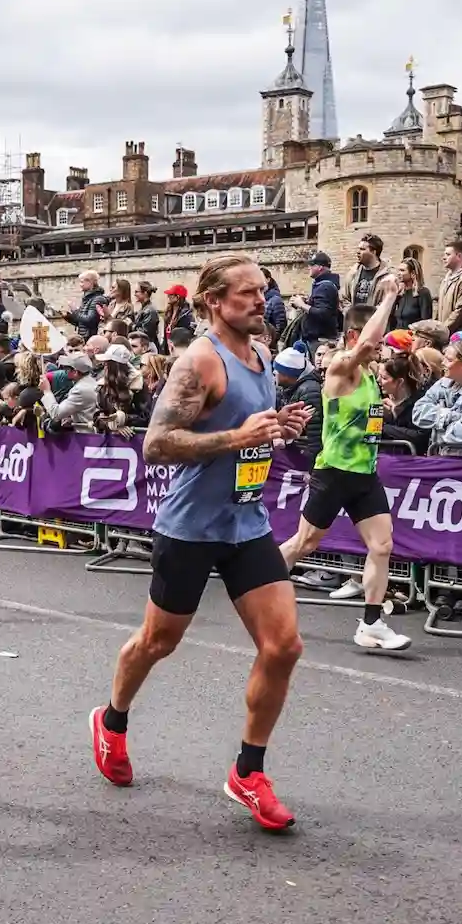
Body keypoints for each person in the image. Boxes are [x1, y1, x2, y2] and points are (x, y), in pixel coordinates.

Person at [88, 254, 312, 831]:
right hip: (189, 527)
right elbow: (157, 444)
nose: (262, 301)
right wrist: (240, 434)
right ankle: (112, 721)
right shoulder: (199, 361)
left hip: (247, 523)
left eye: (263, 291)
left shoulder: (261, 354)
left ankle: (248, 771)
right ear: (215, 300)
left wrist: (277, 426)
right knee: (158, 642)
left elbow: (246, 432)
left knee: (283, 646)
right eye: (247, 294)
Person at [278, 279, 411, 651]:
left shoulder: (369, 374)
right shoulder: (341, 366)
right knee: (306, 542)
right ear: (355, 334)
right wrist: (388, 299)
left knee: (382, 546)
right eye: (378, 339)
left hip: (365, 474)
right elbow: (369, 342)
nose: (381, 348)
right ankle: (254, 591)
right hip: (334, 471)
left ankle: (371, 624)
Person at [345, 234, 397, 308]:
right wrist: (351, 314)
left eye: (362, 249)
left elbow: (387, 303)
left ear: (373, 252)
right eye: (358, 249)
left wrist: (371, 316)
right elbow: (344, 299)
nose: (358, 252)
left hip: (375, 318)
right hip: (354, 319)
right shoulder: (353, 272)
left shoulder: (387, 276)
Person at [301, 251, 342, 344]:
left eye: (312, 264)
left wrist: (301, 305)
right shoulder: (321, 285)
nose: (309, 267)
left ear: (320, 267)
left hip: (320, 341)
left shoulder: (326, 286)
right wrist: (308, 301)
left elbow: (323, 313)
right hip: (317, 339)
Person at [437, 240, 462, 333]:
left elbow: (461, 310)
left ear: (459, 256)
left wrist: (442, 330)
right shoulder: (445, 280)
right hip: (443, 334)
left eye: (448, 255)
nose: (444, 258)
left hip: (457, 335)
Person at [393, 256, 433, 327]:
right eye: (398, 270)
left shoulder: (423, 293)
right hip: (397, 335)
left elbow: (426, 321)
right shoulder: (400, 293)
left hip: (412, 336)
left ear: (413, 273)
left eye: (402, 270)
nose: (398, 273)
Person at [67, 270, 108, 340]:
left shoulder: (97, 299)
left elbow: (90, 320)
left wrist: (75, 311)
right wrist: (68, 317)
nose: (80, 284)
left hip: (91, 337)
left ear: (90, 282)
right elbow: (81, 323)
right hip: (85, 337)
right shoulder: (87, 299)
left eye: (82, 282)